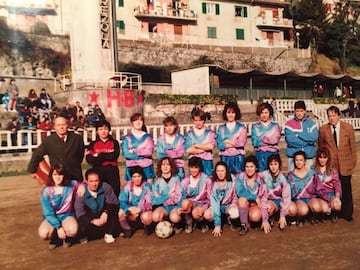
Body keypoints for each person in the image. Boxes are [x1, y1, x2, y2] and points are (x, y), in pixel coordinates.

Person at [318, 105, 356, 222]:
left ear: (339, 116)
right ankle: (335, 211)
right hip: (331, 164)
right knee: (333, 188)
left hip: (345, 163)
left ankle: (347, 212)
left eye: (334, 115)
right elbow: (321, 146)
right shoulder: (323, 130)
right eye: (329, 116)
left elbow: (353, 148)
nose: (332, 118)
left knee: (346, 188)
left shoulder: (348, 128)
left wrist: (352, 163)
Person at [28, 116, 85, 182]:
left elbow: (80, 155)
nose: (61, 127)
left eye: (63, 124)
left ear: (67, 125)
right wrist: (32, 170)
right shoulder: (48, 140)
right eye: (58, 125)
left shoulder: (77, 139)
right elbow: (37, 154)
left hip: (75, 176)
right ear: (54, 127)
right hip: (57, 178)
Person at [38, 164, 80, 249]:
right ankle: (56, 237)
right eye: (55, 175)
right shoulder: (46, 191)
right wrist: (58, 227)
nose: (58, 177)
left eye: (60, 174)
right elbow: (48, 213)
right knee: (44, 234)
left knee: (73, 230)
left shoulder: (71, 186)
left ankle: (68, 238)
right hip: (52, 217)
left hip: (66, 216)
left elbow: (83, 184)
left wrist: (82, 187)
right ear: (51, 176)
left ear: (64, 175)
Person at [74, 168, 119, 244]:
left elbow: (114, 203)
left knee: (114, 212)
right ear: (86, 181)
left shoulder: (105, 187)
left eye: (96, 181)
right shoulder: (81, 192)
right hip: (90, 217)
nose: (94, 184)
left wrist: (106, 213)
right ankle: (85, 235)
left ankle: (109, 233)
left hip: (102, 215)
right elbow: (79, 213)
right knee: (80, 221)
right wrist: (93, 221)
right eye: (91, 181)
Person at [287, 151, 331, 226]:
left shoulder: (312, 173)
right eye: (296, 160)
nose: (298, 162)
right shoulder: (290, 175)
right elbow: (287, 192)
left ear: (305, 161)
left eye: (301, 160)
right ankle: (299, 218)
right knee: (303, 210)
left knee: (318, 207)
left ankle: (313, 217)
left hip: (310, 198)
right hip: (298, 199)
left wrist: (327, 200)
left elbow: (319, 188)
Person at [174, 157, 212, 233]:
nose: (193, 170)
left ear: (199, 168)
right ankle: (189, 222)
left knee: (196, 214)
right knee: (185, 203)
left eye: (196, 167)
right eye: (191, 167)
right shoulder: (185, 181)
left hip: (202, 203)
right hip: (190, 204)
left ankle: (201, 223)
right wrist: (179, 208)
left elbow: (210, 197)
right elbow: (180, 196)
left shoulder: (206, 180)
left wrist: (204, 208)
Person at [235, 155, 271, 235]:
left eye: (251, 166)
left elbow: (264, 199)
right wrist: (255, 197)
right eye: (247, 166)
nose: (249, 169)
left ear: (256, 168)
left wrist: (265, 220)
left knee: (255, 216)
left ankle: (259, 220)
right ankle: (243, 224)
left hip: (255, 205)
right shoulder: (240, 177)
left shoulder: (261, 181)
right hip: (242, 204)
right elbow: (240, 192)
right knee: (241, 200)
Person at [86, 120, 120, 196]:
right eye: (100, 129)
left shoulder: (114, 142)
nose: (103, 132)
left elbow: (113, 156)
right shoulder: (93, 144)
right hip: (98, 170)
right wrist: (106, 155)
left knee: (114, 193)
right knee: (99, 193)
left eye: (105, 129)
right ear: (97, 131)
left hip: (112, 172)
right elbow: (89, 159)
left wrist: (99, 155)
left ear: (109, 130)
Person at [260, 154, 293, 230]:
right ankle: (270, 218)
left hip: (281, 201)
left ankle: (282, 217)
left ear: (279, 164)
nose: (273, 167)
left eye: (275, 164)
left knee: (292, 209)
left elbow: (286, 198)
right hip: (271, 201)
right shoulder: (265, 176)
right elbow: (263, 198)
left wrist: (282, 215)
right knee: (268, 208)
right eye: (271, 164)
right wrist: (264, 219)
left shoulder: (283, 179)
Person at [118, 166, 153, 238]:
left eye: (138, 176)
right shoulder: (127, 187)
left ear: (142, 176)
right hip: (130, 211)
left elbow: (150, 203)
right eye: (134, 177)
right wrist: (129, 209)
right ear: (131, 177)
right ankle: (127, 229)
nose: (136, 179)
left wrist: (140, 209)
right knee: (121, 213)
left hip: (142, 210)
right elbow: (121, 201)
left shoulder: (147, 187)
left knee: (146, 216)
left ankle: (147, 227)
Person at [205, 161, 237, 238]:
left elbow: (236, 195)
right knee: (207, 215)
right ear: (215, 172)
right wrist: (217, 225)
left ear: (226, 171)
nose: (220, 173)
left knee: (235, 212)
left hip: (228, 205)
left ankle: (230, 220)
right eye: (218, 171)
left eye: (222, 171)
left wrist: (233, 204)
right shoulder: (211, 182)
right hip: (215, 205)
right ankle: (219, 220)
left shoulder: (233, 179)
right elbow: (214, 202)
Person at [284, 100, 318, 171]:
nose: (299, 113)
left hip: (308, 156)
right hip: (293, 157)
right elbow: (290, 141)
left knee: (309, 180)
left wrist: (298, 134)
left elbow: (314, 137)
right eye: (297, 111)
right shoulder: (289, 124)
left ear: (305, 111)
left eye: (301, 111)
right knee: (292, 180)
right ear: (294, 111)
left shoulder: (312, 123)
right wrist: (307, 142)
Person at [151, 157, 183, 233]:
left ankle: (178, 224)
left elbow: (179, 196)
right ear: (160, 167)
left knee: (175, 217)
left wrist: (161, 197)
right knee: (155, 217)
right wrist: (168, 196)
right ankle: (165, 223)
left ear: (171, 166)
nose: (165, 167)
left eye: (168, 165)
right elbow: (154, 200)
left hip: (175, 206)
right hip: (163, 206)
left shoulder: (177, 179)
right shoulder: (157, 180)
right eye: (163, 165)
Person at [122, 113, 155, 184]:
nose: (138, 122)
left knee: (148, 190)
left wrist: (135, 151)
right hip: (131, 167)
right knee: (132, 190)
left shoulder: (148, 137)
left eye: (140, 120)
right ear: (132, 123)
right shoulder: (126, 138)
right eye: (135, 120)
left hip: (146, 167)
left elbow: (149, 152)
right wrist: (143, 155)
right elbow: (126, 154)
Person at [216, 101, 247, 174]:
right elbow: (220, 145)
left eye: (233, 112)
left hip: (238, 157)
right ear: (225, 113)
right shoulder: (221, 128)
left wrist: (227, 141)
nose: (230, 115)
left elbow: (241, 143)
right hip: (225, 158)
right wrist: (234, 143)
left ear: (236, 113)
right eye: (228, 112)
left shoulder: (241, 127)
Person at [251, 102, 281, 172]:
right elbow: (255, 142)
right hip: (260, 155)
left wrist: (262, 138)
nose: (264, 115)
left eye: (266, 112)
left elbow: (275, 140)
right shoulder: (255, 127)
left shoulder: (275, 126)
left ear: (269, 113)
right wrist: (269, 140)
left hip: (273, 154)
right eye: (262, 113)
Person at [185, 110, 216, 176]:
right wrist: (205, 148)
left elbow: (211, 146)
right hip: (194, 162)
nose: (198, 122)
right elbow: (188, 150)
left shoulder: (209, 132)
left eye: (200, 120)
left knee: (207, 181)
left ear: (204, 120)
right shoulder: (189, 133)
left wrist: (196, 145)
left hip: (207, 162)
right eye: (196, 120)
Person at [314, 147, 341, 220]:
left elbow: (336, 184)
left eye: (324, 158)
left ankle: (334, 213)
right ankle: (317, 215)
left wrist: (337, 196)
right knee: (322, 208)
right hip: (318, 195)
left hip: (330, 193)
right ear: (317, 158)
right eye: (320, 158)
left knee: (337, 205)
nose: (322, 160)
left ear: (328, 158)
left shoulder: (332, 170)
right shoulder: (313, 170)